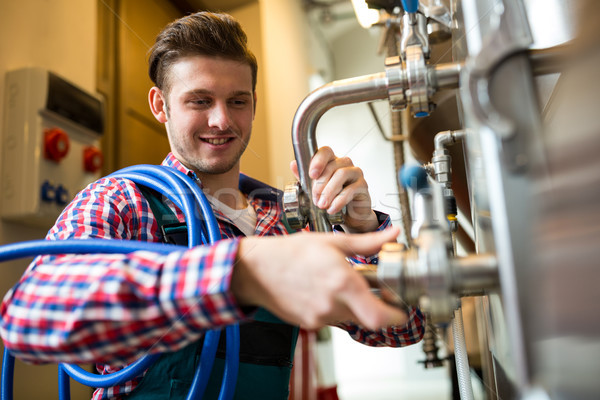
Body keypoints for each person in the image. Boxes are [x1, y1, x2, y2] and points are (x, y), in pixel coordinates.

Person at [0, 11, 424, 399]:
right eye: (199, 101)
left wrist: (362, 230)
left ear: (254, 105)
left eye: (237, 101)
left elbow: (404, 326)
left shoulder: (286, 221)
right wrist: (237, 274)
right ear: (160, 106)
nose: (221, 120)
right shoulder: (123, 201)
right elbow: (28, 318)